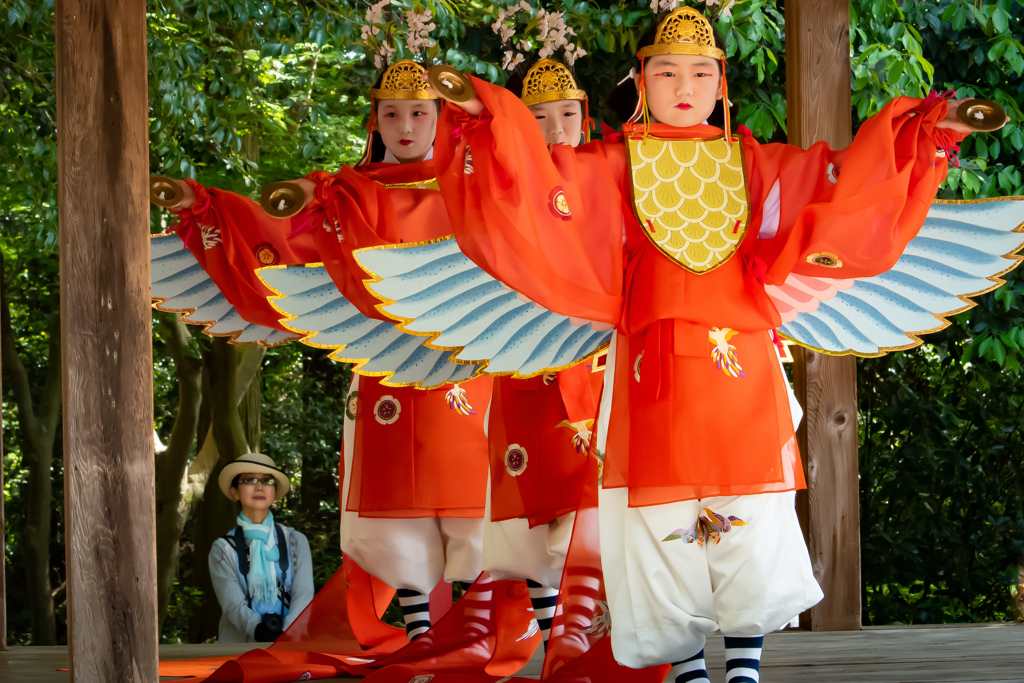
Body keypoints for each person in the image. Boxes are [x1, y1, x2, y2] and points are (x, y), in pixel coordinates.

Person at [418, 6, 1001, 681]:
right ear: (643, 80)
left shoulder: (754, 162)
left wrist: (927, 133)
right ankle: (693, 670)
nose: (684, 85)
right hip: (651, 365)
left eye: (700, 72)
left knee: (750, 508)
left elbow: (841, 183)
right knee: (664, 518)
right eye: (666, 72)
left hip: (742, 367)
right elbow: (541, 191)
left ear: (721, 83)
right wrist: (486, 115)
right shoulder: (610, 164)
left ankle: (745, 668)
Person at [153, 59, 493, 643]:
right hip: (384, 370)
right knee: (398, 509)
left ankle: (484, 631)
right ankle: (420, 638)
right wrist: (206, 207)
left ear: (442, 116)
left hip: (467, 362)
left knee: (476, 500)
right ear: (375, 121)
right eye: (392, 113)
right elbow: (283, 245)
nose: (405, 125)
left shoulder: (478, 186)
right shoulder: (346, 196)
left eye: (419, 112)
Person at [478, 57, 603, 652]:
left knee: (601, 504)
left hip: (599, 358)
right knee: (539, 508)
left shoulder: (614, 177)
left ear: (586, 118)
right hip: (529, 354)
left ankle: (605, 641)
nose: (556, 130)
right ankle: (560, 645)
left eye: (568, 115)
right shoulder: (500, 187)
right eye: (539, 119)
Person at [209, 453, 314, 643]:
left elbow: (304, 595)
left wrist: (286, 633)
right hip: (237, 649)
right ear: (235, 492)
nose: (259, 486)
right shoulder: (223, 549)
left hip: (289, 647)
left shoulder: (296, 541)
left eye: (267, 481)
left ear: (274, 490)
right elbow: (232, 604)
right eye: (249, 480)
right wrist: (258, 630)